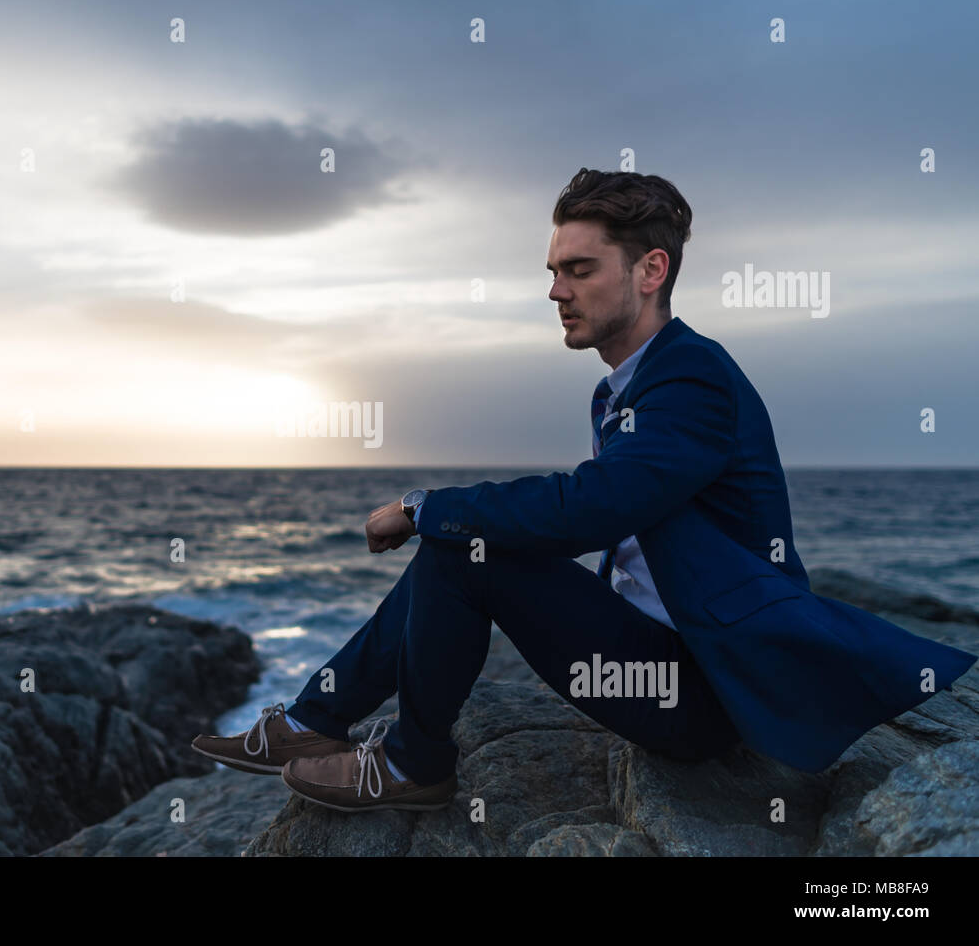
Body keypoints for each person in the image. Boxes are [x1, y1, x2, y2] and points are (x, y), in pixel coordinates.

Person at [191, 167, 978, 813]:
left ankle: (408, 763)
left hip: (704, 687)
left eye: (578, 269)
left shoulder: (693, 378)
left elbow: (592, 507)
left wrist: (426, 505)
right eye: (553, 271)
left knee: (461, 547)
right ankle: (309, 722)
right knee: (460, 547)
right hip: (651, 660)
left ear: (650, 269)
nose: (555, 291)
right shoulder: (623, 389)